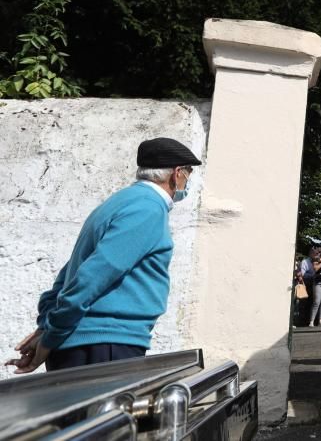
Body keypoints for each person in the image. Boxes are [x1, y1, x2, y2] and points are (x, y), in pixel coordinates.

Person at [6, 137, 201, 373]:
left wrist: (48, 326)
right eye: (188, 173)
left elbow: (71, 270)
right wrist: (50, 335)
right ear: (177, 173)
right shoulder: (147, 208)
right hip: (104, 346)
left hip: (90, 344)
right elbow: (92, 275)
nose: (188, 180)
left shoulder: (120, 201)